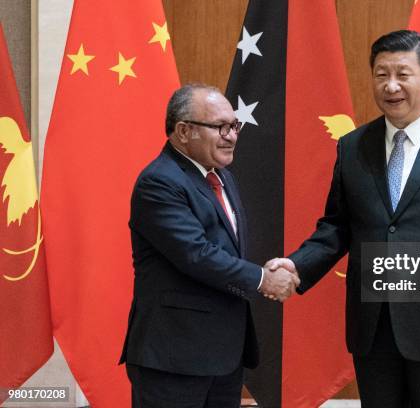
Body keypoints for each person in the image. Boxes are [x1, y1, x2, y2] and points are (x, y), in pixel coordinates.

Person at [269, 30, 420, 407]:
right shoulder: (352, 146)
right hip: (373, 327)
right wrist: (296, 266)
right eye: (381, 75)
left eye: (402, 74)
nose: (391, 86)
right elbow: (336, 227)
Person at [119, 84, 299, 408]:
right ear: (184, 131)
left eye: (234, 126)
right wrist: (262, 278)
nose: (231, 135)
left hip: (224, 356)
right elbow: (196, 254)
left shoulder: (222, 177)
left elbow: (226, 251)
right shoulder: (159, 182)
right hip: (174, 357)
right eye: (220, 127)